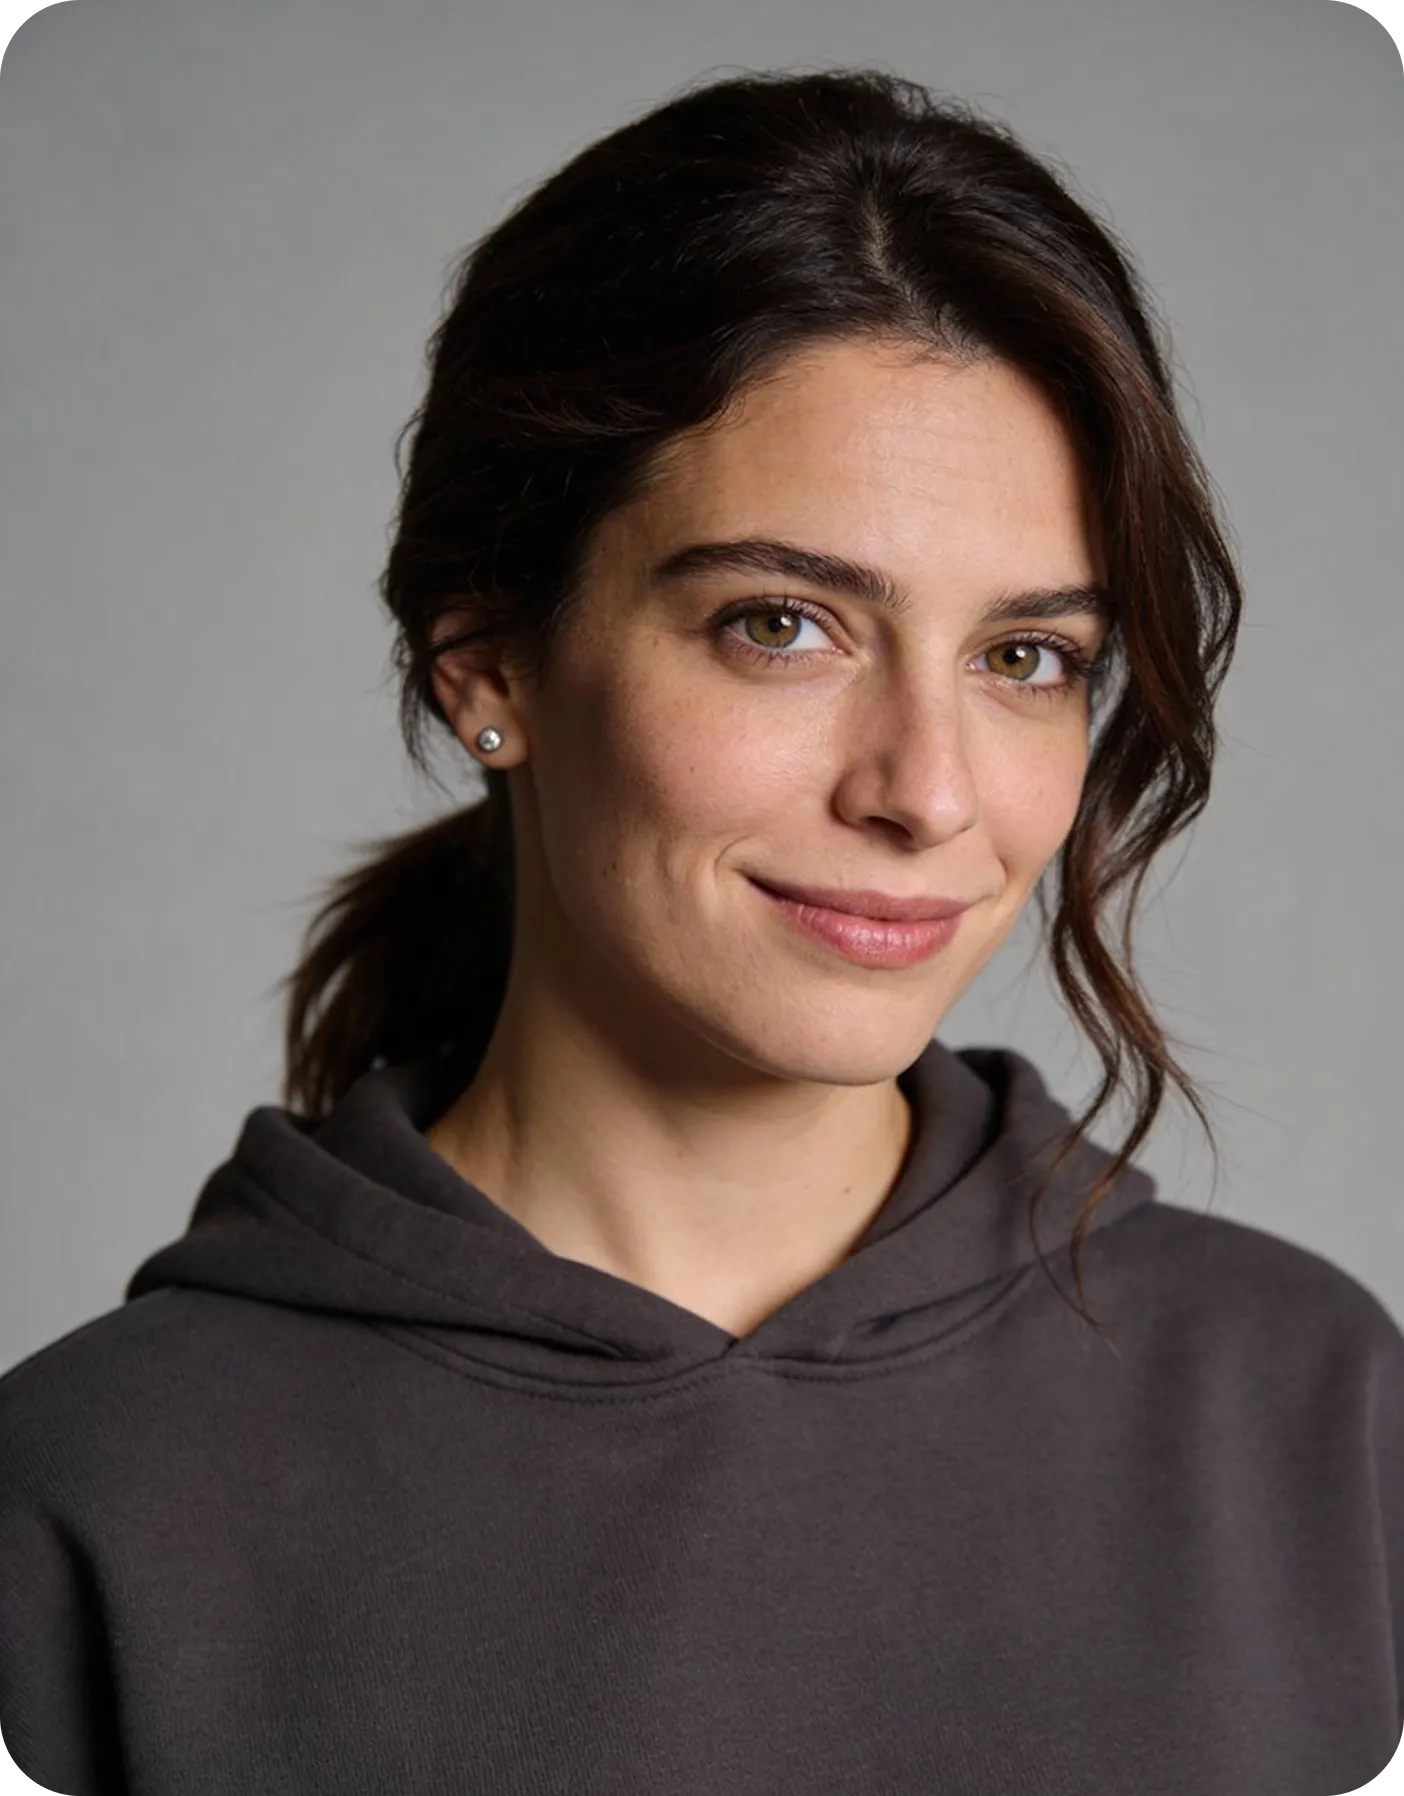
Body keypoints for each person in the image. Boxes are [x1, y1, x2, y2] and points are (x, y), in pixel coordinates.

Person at [1, 66, 1399, 1796]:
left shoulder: (1315, 1414)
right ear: (490, 665)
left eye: (1025, 656)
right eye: (782, 625)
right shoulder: (92, 1503)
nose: (927, 792)